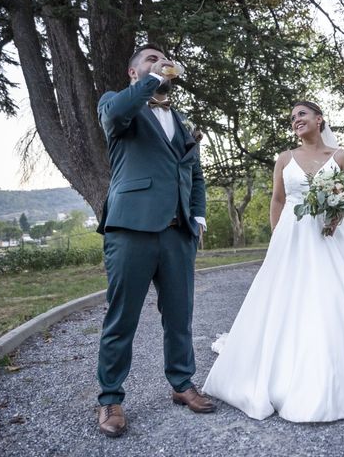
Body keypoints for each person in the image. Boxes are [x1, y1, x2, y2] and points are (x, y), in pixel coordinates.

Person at [202, 101, 344, 422]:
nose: (296, 120)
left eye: (302, 115)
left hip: (327, 238)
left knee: (331, 297)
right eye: (292, 118)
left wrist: (334, 219)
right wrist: (278, 238)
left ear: (319, 120)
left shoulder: (341, 157)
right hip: (290, 238)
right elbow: (278, 200)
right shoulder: (284, 159)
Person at [95, 43, 214, 437]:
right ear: (134, 73)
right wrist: (152, 79)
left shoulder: (179, 119)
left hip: (178, 233)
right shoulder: (117, 104)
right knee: (122, 317)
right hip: (131, 228)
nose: (160, 61)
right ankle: (110, 397)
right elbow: (115, 114)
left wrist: (197, 216)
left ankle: (182, 384)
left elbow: (193, 174)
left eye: (163, 58)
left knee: (180, 315)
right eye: (150, 58)